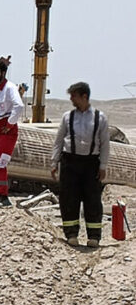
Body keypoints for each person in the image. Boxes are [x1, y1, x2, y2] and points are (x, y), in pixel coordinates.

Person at [51, 82, 111, 247]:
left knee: (92, 199)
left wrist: (103, 166)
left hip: (91, 163)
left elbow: (105, 144)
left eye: (74, 96)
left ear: (84, 96)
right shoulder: (67, 117)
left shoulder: (100, 118)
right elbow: (58, 141)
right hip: (70, 162)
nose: (71, 99)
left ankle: (94, 236)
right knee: (69, 198)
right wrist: (54, 162)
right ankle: (71, 234)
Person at [0, 58, 24, 206]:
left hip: (6, 132)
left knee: (0, 164)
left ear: (3, 72)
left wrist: (9, 124)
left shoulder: (10, 88)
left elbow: (19, 106)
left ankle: (3, 196)